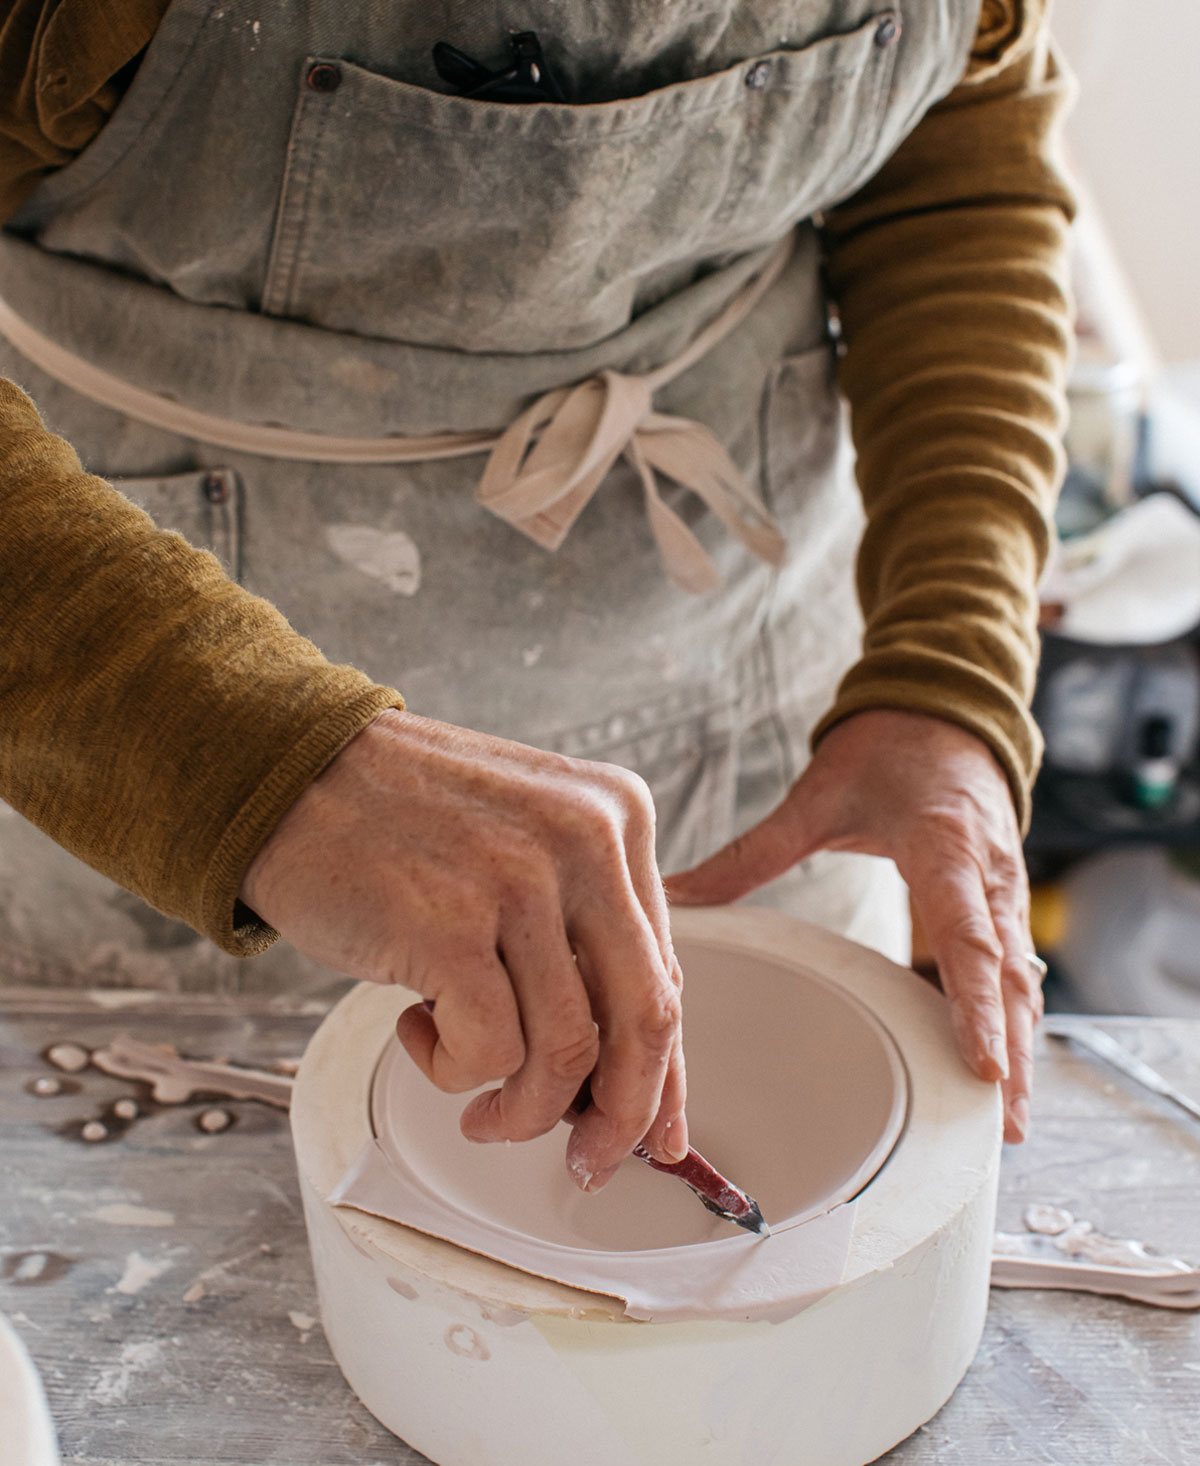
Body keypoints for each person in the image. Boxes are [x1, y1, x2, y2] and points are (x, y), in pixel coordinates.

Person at [0, 0, 1074, 1190]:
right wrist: (251, 762)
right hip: (144, 729)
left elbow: (959, 132)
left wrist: (949, 665)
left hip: (758, 700)